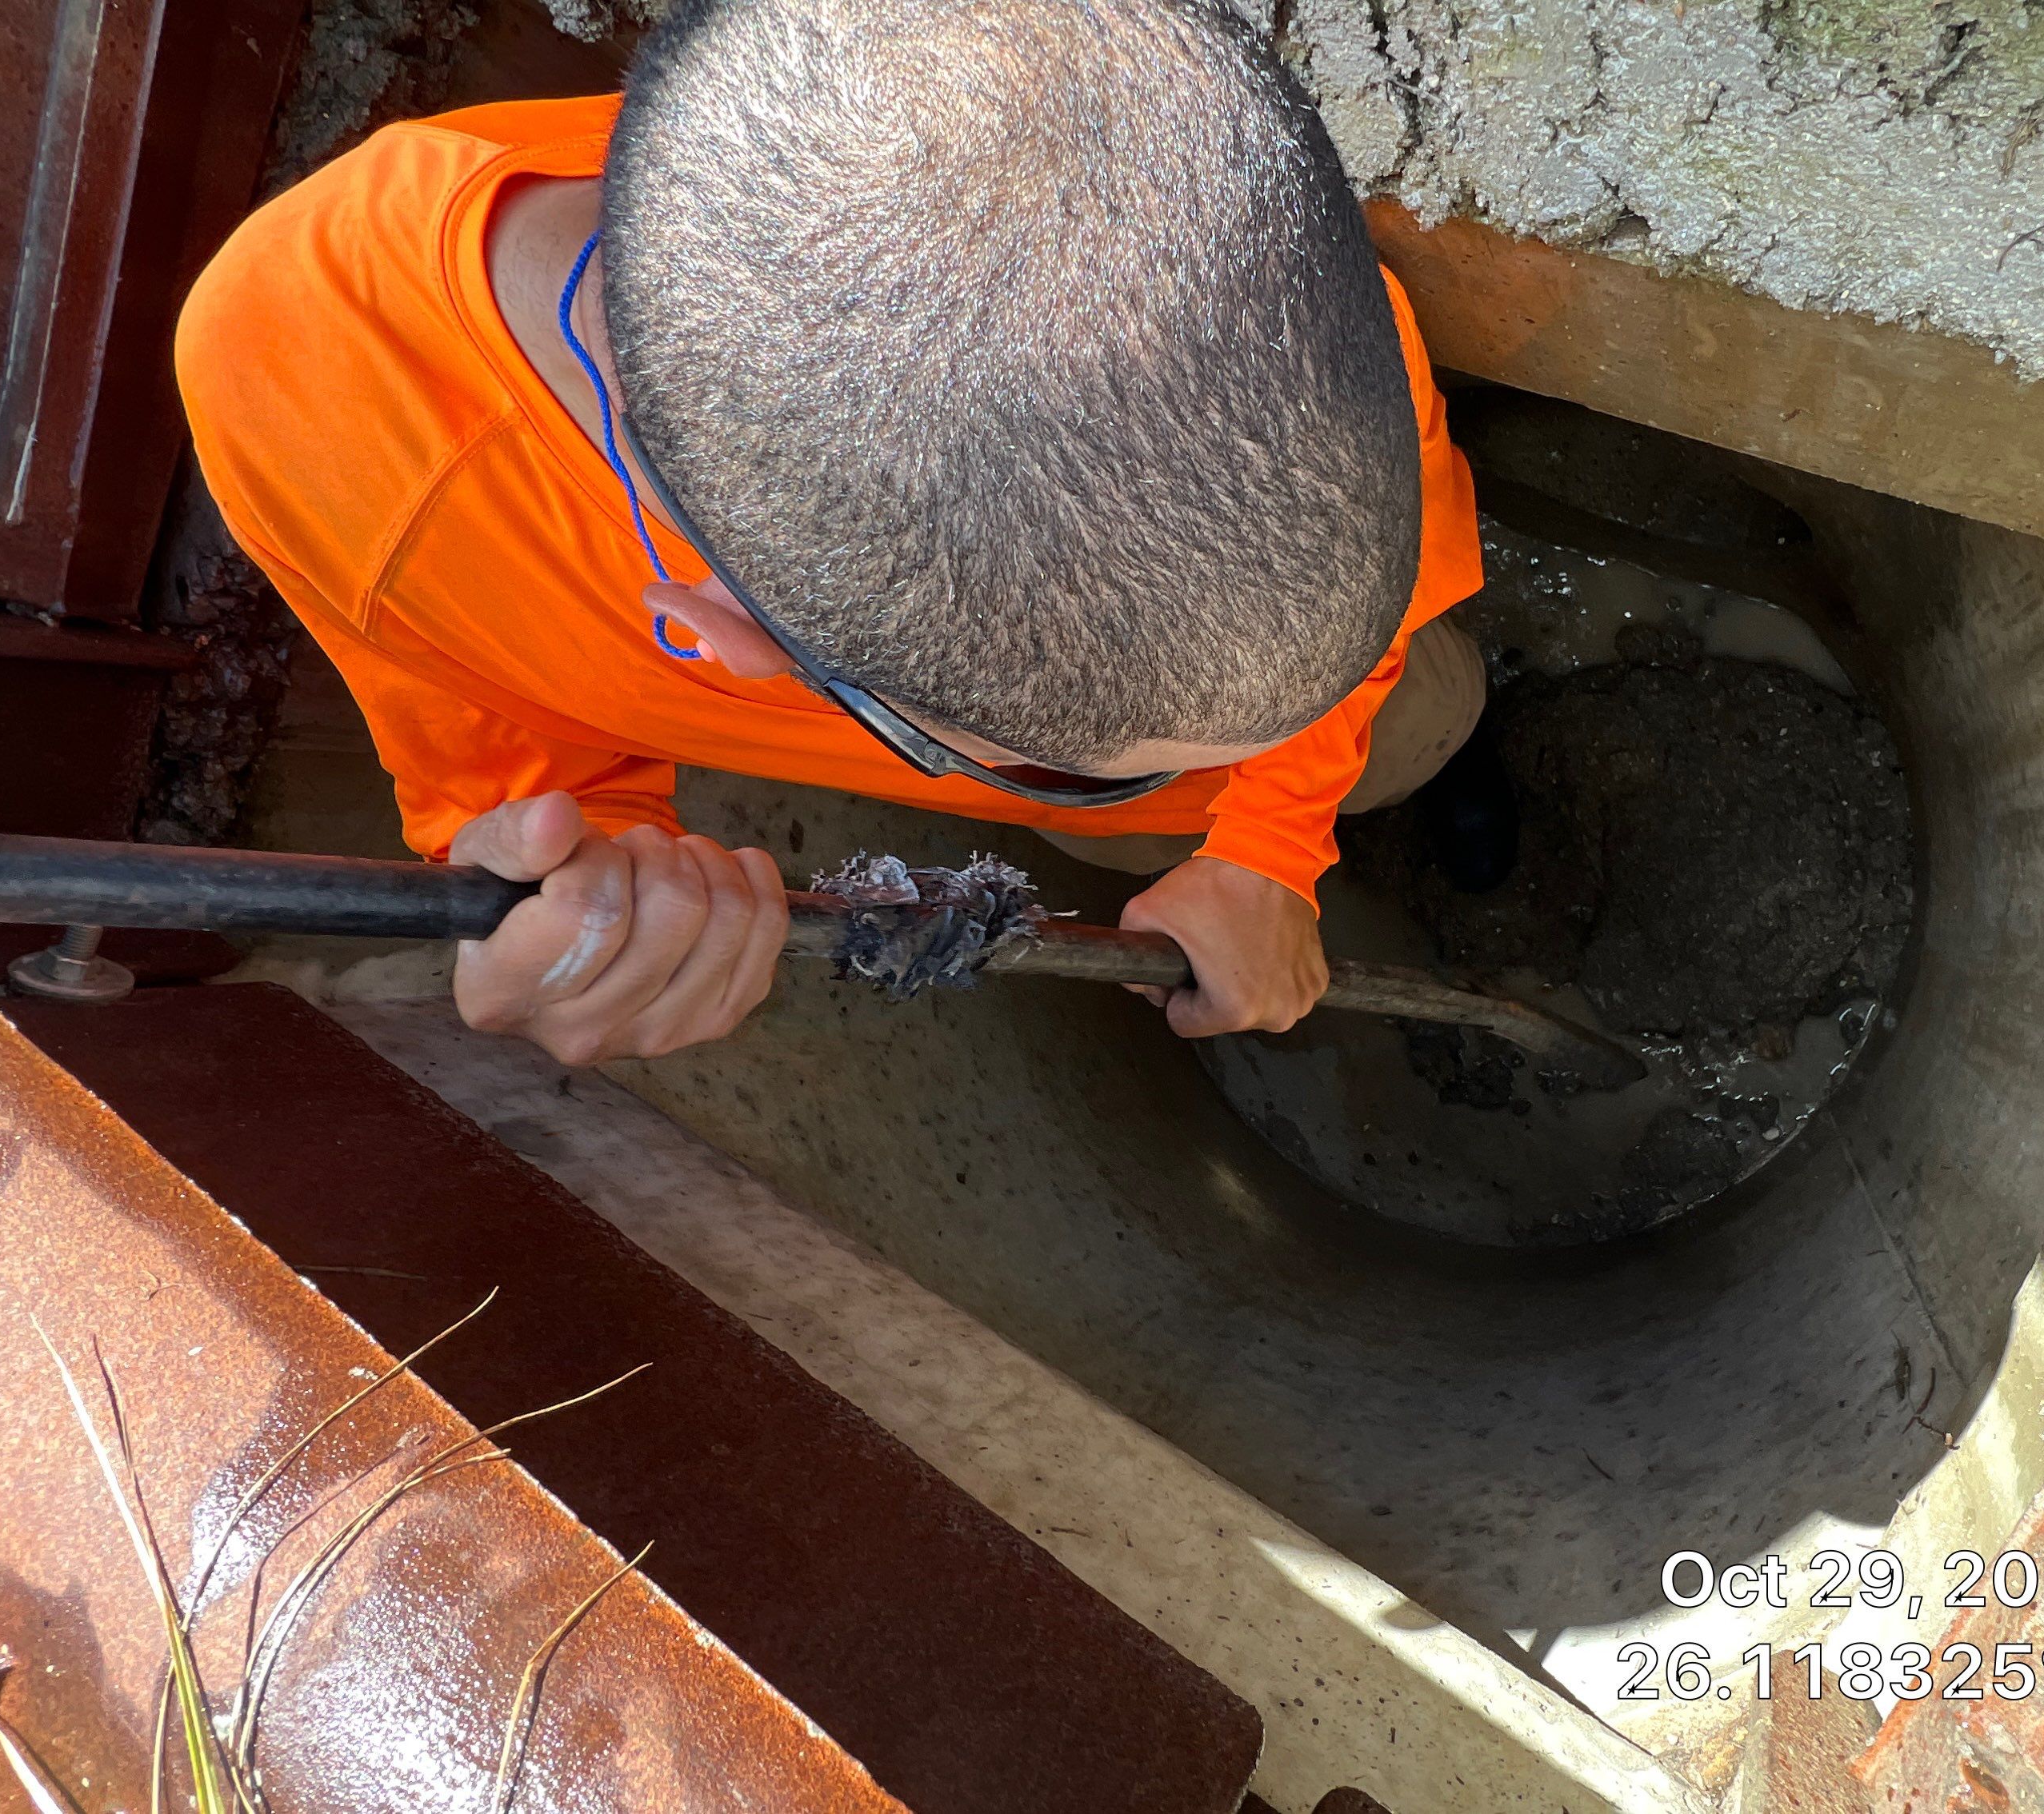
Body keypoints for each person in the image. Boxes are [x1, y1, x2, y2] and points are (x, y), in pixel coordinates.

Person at [175, 0, 1483, 1066]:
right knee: (1123, 825)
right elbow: (509, 736)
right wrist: (600, 883)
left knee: (1423, 709)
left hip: (1346, 722)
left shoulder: (1229, 267)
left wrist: (1269, 842)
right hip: (1143, 838)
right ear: (724, 639)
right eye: (1049, 767)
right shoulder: (311, 403)